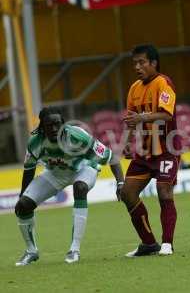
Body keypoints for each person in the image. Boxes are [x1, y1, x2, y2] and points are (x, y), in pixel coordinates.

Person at [15, 107, 124, 266]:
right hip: (55, 174)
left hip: (83, 169)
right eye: (49, 125)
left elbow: (111, 157)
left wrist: (120, 182)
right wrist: (22, 194)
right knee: (23, 205)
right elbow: (29, 169)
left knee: (80, 188)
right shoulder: (35, 142)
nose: (53, 129)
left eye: (57, 124)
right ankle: (31, 251)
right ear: (42, 126)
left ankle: (74, 249)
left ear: (63, 124)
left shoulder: (77, 137)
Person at [121, 44, 181, 257]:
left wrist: (142, 118)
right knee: (127, 193)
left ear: (153, 63)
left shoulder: (163, 83)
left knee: (164, 191)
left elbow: (167, 115)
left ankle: (167, 243)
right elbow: (131, 120)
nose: (137, 67)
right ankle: (148, 244)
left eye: (141, 62)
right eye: (134, 63)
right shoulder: (134, 88)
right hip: (144, 153)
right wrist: (127, 143)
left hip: (167, 150)